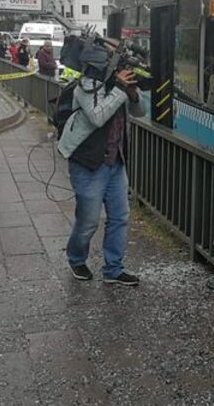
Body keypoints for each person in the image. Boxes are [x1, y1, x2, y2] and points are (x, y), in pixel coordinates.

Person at [57, 40, 145, 286]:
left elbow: (140, 112)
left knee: (120, 217)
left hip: (116, 162)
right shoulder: (86, 86)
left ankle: (114, 269)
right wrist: (119, 88)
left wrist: (132, 93)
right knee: (88, 221)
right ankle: (76, 259)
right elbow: (98, 116)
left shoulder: (118, 85)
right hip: (88, 164)